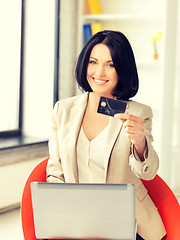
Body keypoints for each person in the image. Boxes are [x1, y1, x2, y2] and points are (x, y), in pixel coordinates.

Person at [46, 30, 166, 240]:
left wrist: (140, 142)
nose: (100, 72)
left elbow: (148, 173)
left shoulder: (139, 113)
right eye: (93, 62)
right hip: (76, 218)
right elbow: (55, 173)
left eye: (110, 65)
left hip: (125, 221)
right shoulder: (62, 110)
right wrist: (65, 216)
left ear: (122, 70)